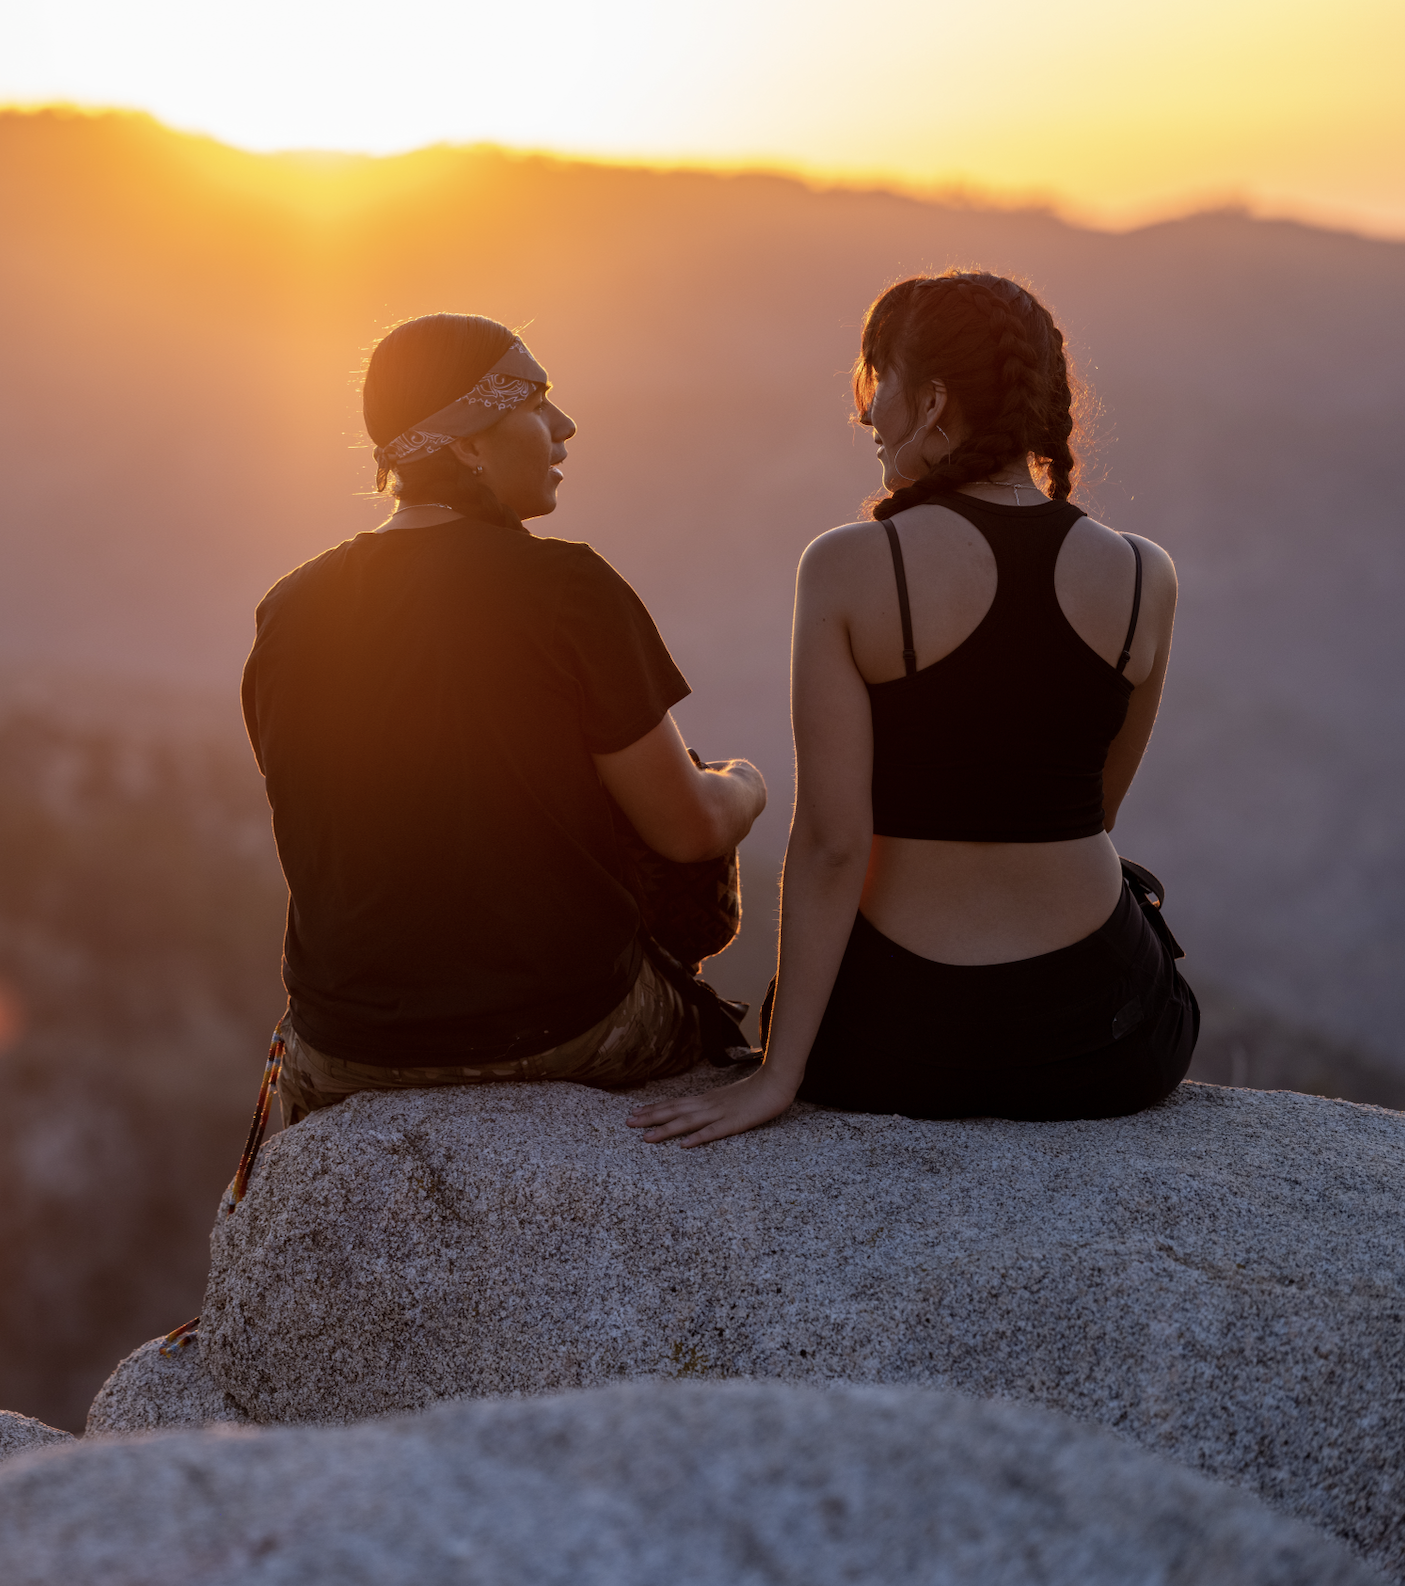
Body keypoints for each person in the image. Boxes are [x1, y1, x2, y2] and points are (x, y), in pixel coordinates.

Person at [628, 270, 1198, 1146]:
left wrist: (781, 1074)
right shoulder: (1144, 575)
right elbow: (1093, 810)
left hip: (898, 1041)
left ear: (933, 402)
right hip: (1103, 1037)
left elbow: (830, 844)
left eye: (878, 380)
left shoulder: (852, 565)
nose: (867, 413)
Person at [242, 312, 768, 1121]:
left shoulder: (288, 607)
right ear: (466, 443)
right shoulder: (568, 589)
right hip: (569, 1030)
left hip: (343, 1050)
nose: (564, 427)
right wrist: (744, 785)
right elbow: (689, 832)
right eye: (535, 403)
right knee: (674, 766)